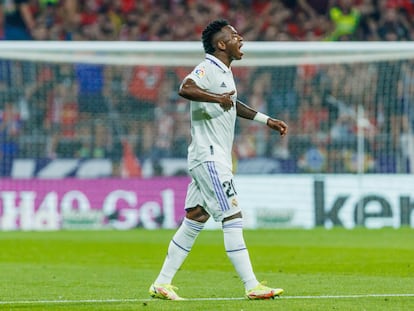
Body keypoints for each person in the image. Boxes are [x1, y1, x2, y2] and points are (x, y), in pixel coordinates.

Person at [149, 19, 288, 301]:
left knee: (196, 218)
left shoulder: (224, 72)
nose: (241, 39)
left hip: (210, 156)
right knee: (233, 215)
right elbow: (185, 88)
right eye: (235, 36)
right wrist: (216, 98)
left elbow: (232, 103)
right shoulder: (208, 67)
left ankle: (161, 283)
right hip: (210, 157)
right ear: (221, 44)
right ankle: (252, 285)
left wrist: (266, 120)